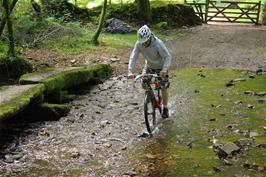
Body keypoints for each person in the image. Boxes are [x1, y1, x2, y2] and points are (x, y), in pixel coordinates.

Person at [128, 25, 172, 118]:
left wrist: (164, 69)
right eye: (142, 42)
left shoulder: (158, 44)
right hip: (149, 65)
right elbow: (133, 56)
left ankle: (165, 108)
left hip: (161, 67)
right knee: (144, 83)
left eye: (145, 42)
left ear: (150, 37)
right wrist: (130, 70)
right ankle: (150, 97)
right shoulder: (139, 43)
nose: (143, 44)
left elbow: (167, 57)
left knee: (163, 87)